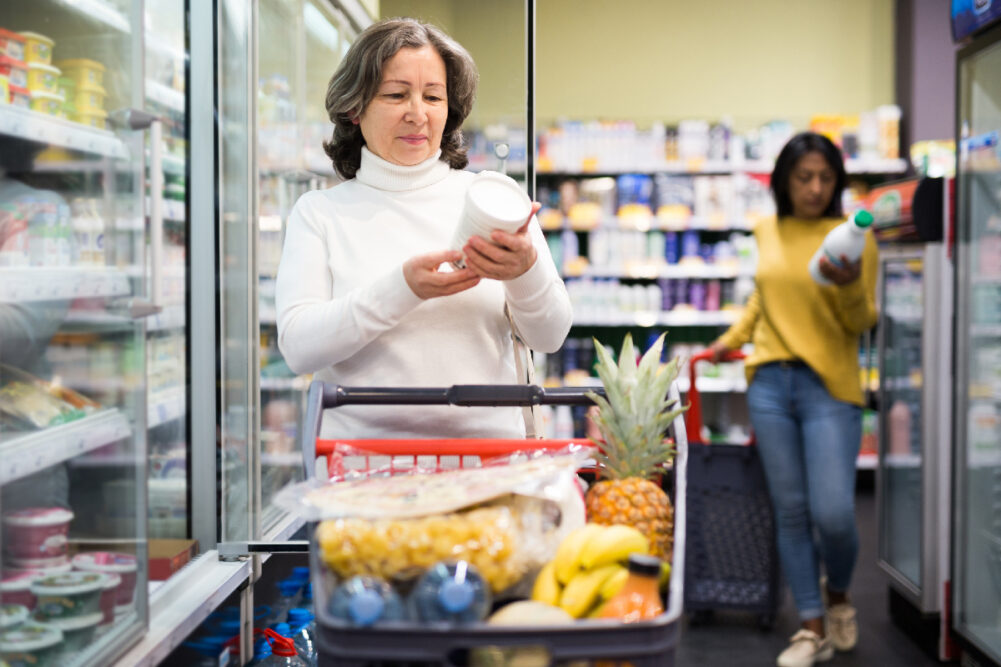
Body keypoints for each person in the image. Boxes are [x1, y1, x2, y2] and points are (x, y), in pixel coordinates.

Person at [275, 18, 572, 439]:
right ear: (354, 108)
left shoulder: (493, 198)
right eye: (397, 95)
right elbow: (298, 347)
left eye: (433, 96)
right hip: (364, 474)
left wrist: (526, 271)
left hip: (490, 469)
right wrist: (404, 288)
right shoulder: (320, 212)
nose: (418, 114)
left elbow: (551, 335)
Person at [708, 132, 877, 667]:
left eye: (825, 178)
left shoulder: (853, 238)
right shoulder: (767, 228)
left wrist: (847, 285)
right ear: (784, 180)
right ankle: (810, 628)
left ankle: (840, 594)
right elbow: (765, 295)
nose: (814, 187)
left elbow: (861, 321)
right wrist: (729, 343)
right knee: (792, 510)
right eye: (803, 177)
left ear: (838, 183)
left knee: (834, 514)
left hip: (829, 386)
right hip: (770, 386)